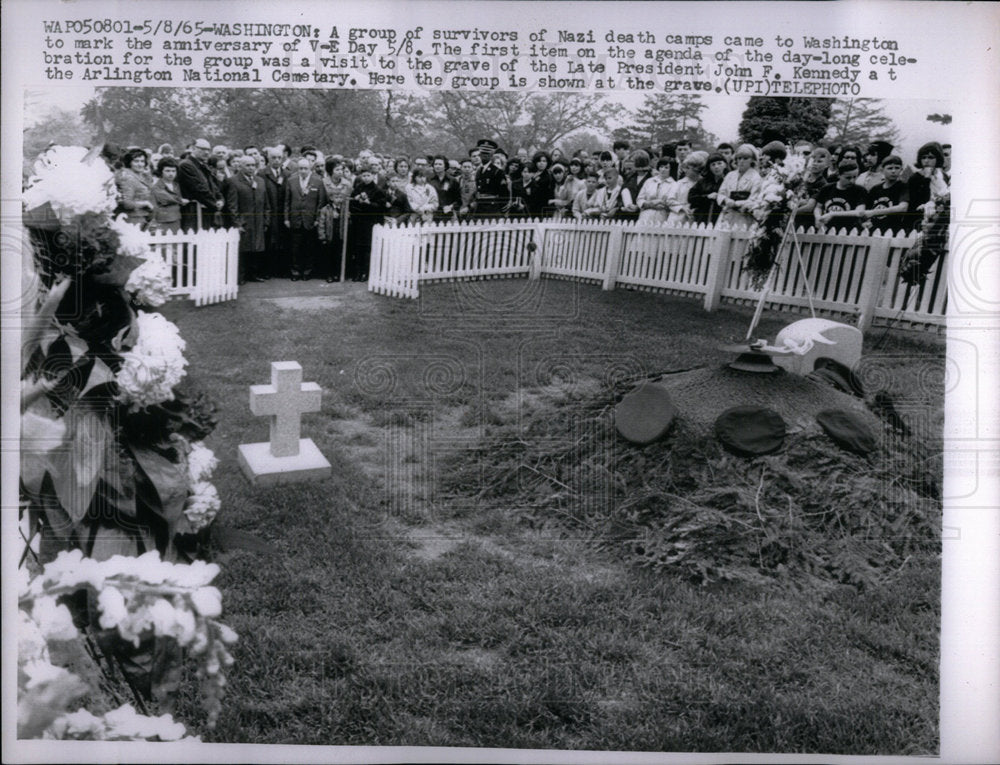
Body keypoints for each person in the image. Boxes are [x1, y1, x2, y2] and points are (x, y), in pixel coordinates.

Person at [225, 155, 270, 284]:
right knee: (243, 250)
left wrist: (266, 220)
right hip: (244, 222)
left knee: (256, 249)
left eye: (253, 165)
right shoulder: (233, 181)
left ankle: (254, 274)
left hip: (258, 221)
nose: (251, 168)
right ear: (241, 166)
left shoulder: (260, 181)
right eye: (248, 165)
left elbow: (266, 203)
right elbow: (232, 205)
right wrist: (237, 223)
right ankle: (241, 276)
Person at [284, 157, 328, 281]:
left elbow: (321, 202)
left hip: (310, 220)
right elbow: (287, 201)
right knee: (295, 248)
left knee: (309, 248)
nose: (303, 171)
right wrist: (286, 218)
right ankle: (295, 271)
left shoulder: (318, 181)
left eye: (305, 168)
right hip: (295, 219)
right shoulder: (291, 180)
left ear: (310, 169)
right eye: (300, 168)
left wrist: (317, 219)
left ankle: (307, 271)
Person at [346, 165, 385, 281]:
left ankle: (366, 273)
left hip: (370, 222)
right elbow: (351, 205)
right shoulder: (358, 188)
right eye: (364, 176)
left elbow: (381, 207)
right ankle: (357, 272)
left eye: (368, 175)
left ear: (373, 176)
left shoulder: (378, 190)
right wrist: (356, 199)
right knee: (358, 247)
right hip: (358, 222)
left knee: (368, 247)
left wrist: (369, 203)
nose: (366, 178)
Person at [178, 139, 223, 232]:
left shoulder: (203, 165)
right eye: (202, 149)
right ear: (193, 148)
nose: (206, 152)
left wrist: (220, 199)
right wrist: (215, 204)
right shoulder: (186, 165)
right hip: (193, 211)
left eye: (208, 150)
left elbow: (213, 186)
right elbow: (199, 189)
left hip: (206, 209)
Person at [906, 142, 949, 232]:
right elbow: (919, 201)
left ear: (937, 159)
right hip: (918, 220)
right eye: (923, 157)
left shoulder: (942, 176)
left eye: (930, 157)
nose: (926, 161)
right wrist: (927, 179)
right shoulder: (915, 178)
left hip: (938, 219)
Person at [716, 144, 762, 229]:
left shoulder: (756, 178)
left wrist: (737, 204)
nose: (741, 161)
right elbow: (721, 193)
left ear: (752, 160)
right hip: (726, 215)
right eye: (739, 158)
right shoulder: (730, 175)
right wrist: (726, 200)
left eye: (745, 158)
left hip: (743, 218)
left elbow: (755, 199)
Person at [861, 155, 910, 235]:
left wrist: (874, 212)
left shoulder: (902, 187)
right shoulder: (875, 189)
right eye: (890, 168)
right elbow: (866, 210)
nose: (893, 171)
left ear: (901, 170)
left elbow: (903, 207)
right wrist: (865, 222)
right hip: (873, 231)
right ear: (882, 170)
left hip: (892, 231)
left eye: (897, 168)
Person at [814, 160, 867, 232]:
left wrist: (833, 214)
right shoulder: (827, 188)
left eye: (855, 177)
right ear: (839, 175)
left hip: (849, 230)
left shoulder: (860, 190)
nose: (852, 181)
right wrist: (818, 217)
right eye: (848, 178)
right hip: (827, 229)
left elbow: (859, 212)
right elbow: (818, 207)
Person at [116, 148, 156, 228]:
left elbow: (149, 190)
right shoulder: (128, 178)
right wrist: (145, 203)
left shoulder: (139, 175)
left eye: (142, 161)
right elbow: (127, 203)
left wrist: (148, 175)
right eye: (136, 161)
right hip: (132, 219)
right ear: (129, 162)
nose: (140, 164)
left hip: (142, 217)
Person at [666, 152, 706, 226]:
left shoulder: (704, 183)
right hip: (677, 218)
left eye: (688, 168)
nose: (685, 170)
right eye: (685, 167)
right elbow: (669, 200)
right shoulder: (679, 184)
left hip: (697, 219)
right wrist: (682, 208)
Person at [688, 152, 728, 226]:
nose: (716, 167)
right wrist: (707, 197)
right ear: (709, 167)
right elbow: (691, 198)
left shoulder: (730, 180)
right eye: (713, 164)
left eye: (719, 163)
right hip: (703, 218)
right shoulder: (703, 182)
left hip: (722, 217)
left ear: (725, 164)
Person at [474, 139, 508, 220]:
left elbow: (504, 193)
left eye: (487, 154)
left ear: (491, 155)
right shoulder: (479, 171)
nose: (484, 156)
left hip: (492, 209)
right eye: (483, 153)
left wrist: (499, 210)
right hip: (479, 207)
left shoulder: (497, 172)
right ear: (480, 154)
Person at [150, 157, 187, 233]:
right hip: (163, 221)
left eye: (173, 171)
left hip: (177, 219)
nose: (171, 174)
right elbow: (155, 206)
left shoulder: (177, 185)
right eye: (167, 171)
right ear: (161, 172)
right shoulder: (156, 187)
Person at [636, 158, 675, 224]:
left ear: (671, 169)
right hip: (645, 215)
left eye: (666, 167)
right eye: (661, 167)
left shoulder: (674, 184)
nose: (663, 169)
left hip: (662, 217)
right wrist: (650, 204)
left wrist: (663, 204)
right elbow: (639, 199)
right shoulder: (649, 181)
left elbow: (670, 203)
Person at [428, 155, 459, 221]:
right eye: (435, 164)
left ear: (445, 166)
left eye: (440, 164)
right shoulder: (429, 180)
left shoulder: (452, 180)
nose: (437, 166)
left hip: (448, 213)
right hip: (432, 213)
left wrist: (451, 206)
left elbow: (458, 199)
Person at [524, 151, 554, 217]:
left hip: (541, 207)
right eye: (539, 161)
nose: (541, 163)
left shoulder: (548, 177)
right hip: (528, 206)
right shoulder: (532, 172)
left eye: (544, 161)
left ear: (547, 162)